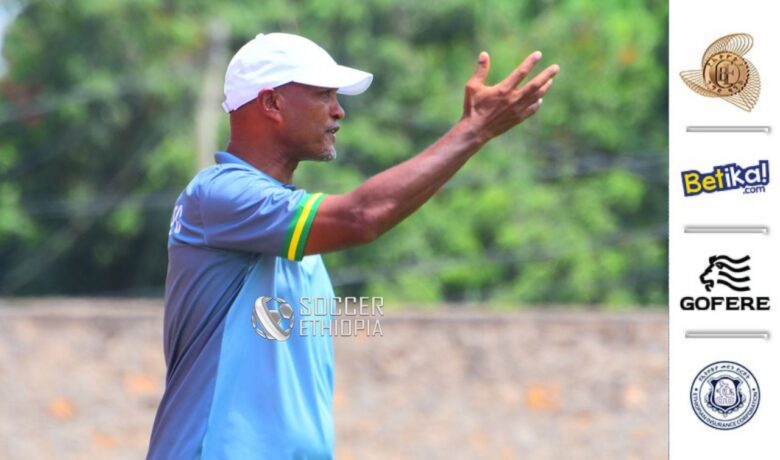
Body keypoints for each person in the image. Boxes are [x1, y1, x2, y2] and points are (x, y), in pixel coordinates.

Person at [147, 32, 559, 459]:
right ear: (271, 103)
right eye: (323, 94)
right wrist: (472, 132)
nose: (338, 110)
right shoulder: (219, 195)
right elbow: (361, 217)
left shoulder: (291, 236)